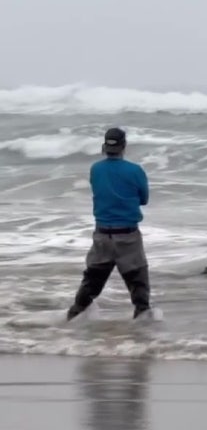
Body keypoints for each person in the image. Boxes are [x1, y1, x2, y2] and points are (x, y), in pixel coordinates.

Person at [67, 127, 152, 321]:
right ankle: (144, 334)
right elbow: (144, 199)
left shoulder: (96, 169)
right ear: (124, 146)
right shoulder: (135, 170)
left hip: (102, 236)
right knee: (139, 288)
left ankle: (69, 324)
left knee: (90, 284)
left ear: (105, 146)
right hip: (128, 237)